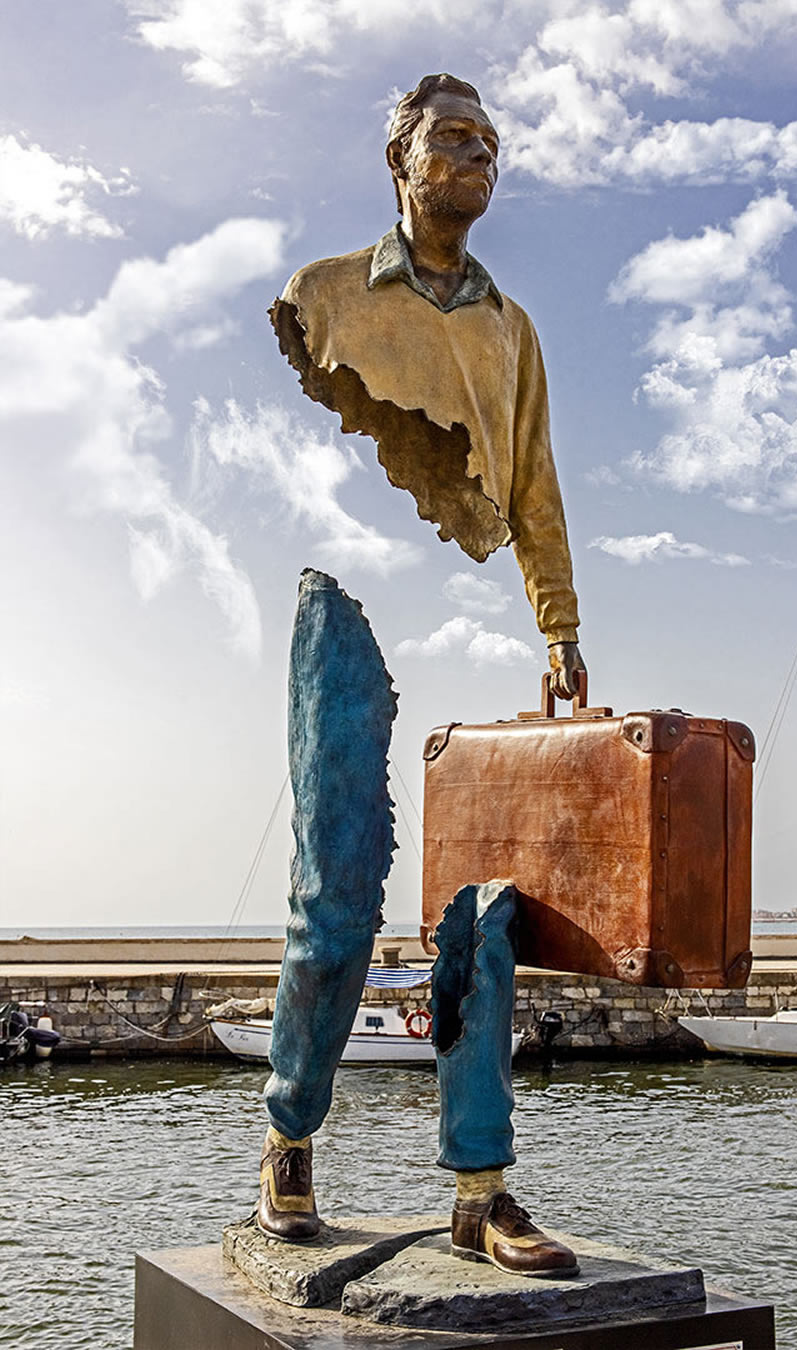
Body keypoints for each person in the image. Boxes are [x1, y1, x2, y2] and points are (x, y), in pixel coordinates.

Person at [260, 73, 585, 1278]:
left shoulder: (514, 329)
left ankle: (482, 1188)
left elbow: (538, 485)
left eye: (493, 143)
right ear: (399, 157)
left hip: (474, 617)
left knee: (483, 918)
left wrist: (559, 627)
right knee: (334, 904)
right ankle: (290, 1135)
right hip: (345, 608)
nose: (480, 155)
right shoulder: (323, 296)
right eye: (456, 137)